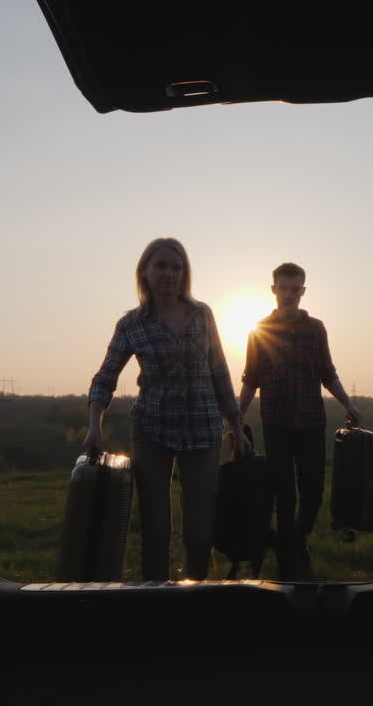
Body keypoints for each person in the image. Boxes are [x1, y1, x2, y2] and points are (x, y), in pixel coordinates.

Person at [83, 238, 250, 581]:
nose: (169, 274)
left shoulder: (202, 314)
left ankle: (193, 593)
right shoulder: (131, 324)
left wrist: (235, 425)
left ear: (184, 274)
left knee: (200, 533)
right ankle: (156, 598)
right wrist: (94, 426)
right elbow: (106, 377)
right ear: (144, 272)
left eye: (176, 267)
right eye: (160, 266)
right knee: (156, 531)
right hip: (152, 430)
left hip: (204, 430)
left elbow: (219, 371)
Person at [238, 262, 360, 580]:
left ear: (303, 291)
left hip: (310, 422)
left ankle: (296, 539)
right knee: (284, 493)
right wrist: (236, 417)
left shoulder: (316, 329)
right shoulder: (259, 330)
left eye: (295, 289)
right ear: (273, 289)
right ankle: (288, 560)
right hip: (276, 423)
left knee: (313, 492)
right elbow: (251, 378)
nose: (289, 294)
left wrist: (348, 403)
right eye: (283, 287)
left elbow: (327, 373)